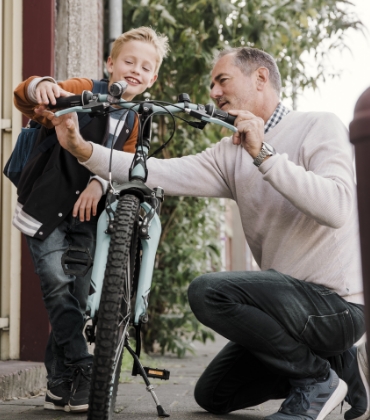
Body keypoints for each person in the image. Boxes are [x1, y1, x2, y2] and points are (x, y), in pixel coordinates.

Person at [39, 47, 368, 420]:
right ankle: (337, 367)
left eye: (221, 80)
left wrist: (264, 156)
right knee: (214, 394)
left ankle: (316, 381)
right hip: (286, 310)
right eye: (211, 84)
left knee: (209, 292)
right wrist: (83, 150)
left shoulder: (318, 125)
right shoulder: (229, 152)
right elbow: (152, 171)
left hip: (337, 305)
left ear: (260, 78)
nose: (212, 92)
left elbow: (338, 207)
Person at [12, 26, 169, 413]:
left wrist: (99, 183)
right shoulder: (86, 88)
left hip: (86, 216)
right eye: (128, 61)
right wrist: (42, 86)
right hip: (46, 208)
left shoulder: (136, 119)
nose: (135, 70)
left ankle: (59, 383)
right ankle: (83, 368)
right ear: (110, 64)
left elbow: (125, 164)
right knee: (56, 287)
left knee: (78, 296)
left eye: (145, 67)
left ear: (153, 79)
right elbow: (26, 94)